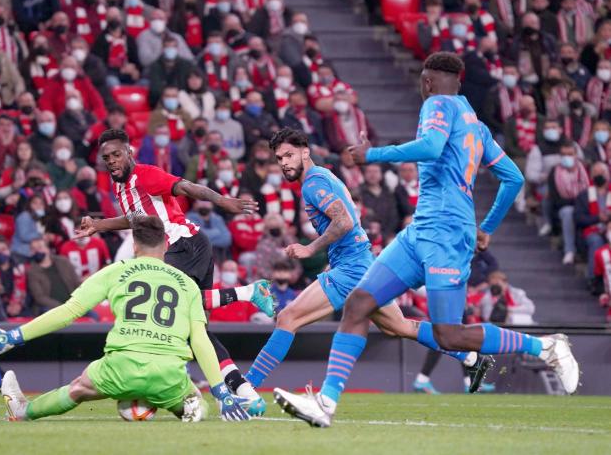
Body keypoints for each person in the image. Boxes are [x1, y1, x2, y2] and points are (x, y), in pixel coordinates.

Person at [274, 52, 580, 428]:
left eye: (423, 81)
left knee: (448, 335)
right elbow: (512, 178)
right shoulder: (477, 125)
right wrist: (487, 227)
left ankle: (547, 346)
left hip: (446, 236)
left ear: (428, 81)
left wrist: (374, 154)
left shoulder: (437, 103)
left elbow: (432, 147)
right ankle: (325, 403)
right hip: (422, 230)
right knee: (359, 303)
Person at [247, 128, 491, 415]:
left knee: (288, 317)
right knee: (398, 327)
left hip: (352, 268)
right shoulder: (326, 176)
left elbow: (345, 221)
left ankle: (245, 389)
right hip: (359, 262)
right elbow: (352, 217)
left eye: (289, 154)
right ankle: (470, 356)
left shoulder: (313, 183)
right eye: (279, 158)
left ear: (305, 152)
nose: (284, 162)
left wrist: (311, 249)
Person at [0, 216, 250, 422]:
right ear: (166, 244)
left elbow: (68, 312)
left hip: (120, 367)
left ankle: (23, 411)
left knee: (79, 388)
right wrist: (221, 393)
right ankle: (193, 411)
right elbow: (201, 340)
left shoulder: (115, 271)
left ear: (134, 245)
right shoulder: (187, 284)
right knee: (195, 400)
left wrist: (13, 336)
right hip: (168, 372)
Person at [74, 128, 275, 413]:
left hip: (183, 246)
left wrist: (222, 201)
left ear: (129, 152)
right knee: (196, 332)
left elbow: (187, 187)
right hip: (189, 248)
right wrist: (98, 225)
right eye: (106, 157)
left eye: (117, 154)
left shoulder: (145, 174)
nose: (112, 161)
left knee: (172, 311)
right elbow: (135, 219)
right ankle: (244, 392)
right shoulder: (120, 185)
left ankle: (248, 292)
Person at [548, 141, 589, 264]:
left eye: (570, 154)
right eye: (564, 154)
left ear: (576, 154)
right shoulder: (554, 172)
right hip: (563, 207)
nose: (567, 157)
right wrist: (577, 202)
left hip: (585, 207)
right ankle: (569, 251)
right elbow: (556, 200)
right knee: (568, 212)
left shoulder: (586, 169)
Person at [26, 236, 81, 314]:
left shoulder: (63, 262)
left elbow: (77, 283)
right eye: (33, 249)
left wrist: (76, 302)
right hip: (51, 307)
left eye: (40, 247)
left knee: (93, 316)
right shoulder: (32, 271)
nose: (37, 251)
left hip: (72, 304)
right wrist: (63, 307)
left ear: (47, 249)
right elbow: (39, 297)